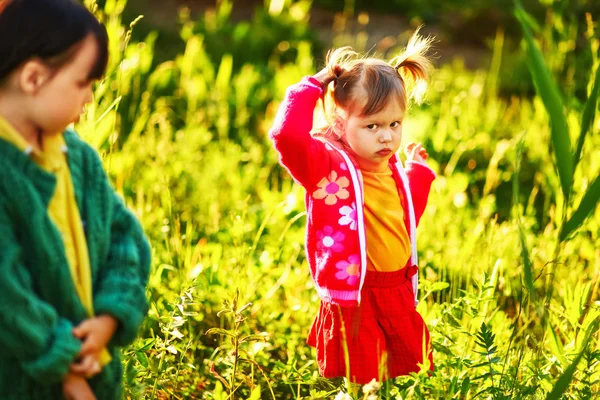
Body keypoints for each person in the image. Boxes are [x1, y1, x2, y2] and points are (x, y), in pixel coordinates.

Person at [0, 0, 151, 398]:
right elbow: (8, 294)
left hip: (91, 369)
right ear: (33, 77)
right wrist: (66, 369)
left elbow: (125, 236)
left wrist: (108, 316)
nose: (88, 98)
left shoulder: (78, 158)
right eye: (83, 82)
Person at [269, 30, 436, 385]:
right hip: (355, 296)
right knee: (359, 376)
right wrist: (312, 86)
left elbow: (403, 219)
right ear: (341, 125)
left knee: (392, 374)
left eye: (394, 124)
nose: (386, 136)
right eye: (372, 125)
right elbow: (286, 136)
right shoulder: (325, 167)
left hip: (396, 290)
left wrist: (417, 175)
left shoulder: (390, 169)